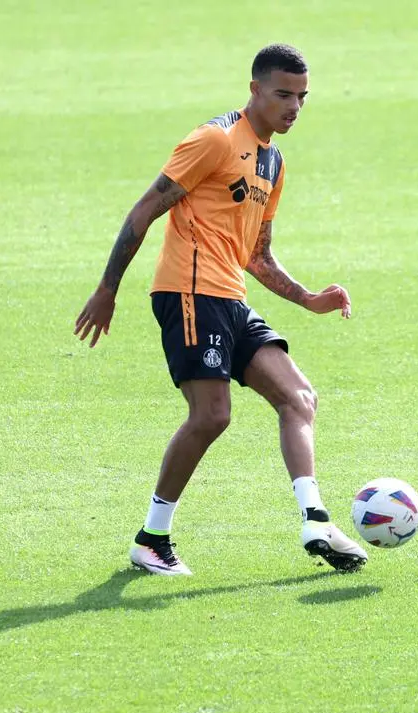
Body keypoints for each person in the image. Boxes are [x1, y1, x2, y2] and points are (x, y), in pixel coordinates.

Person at [73, 44, 367, 575]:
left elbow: (256, 253)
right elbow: (144, 211)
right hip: (188, 291)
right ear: (254, 89)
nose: (294, 107)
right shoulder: (213, 140)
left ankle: (316, 521)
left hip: (231, 296)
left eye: (302, 97)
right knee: (212, 414)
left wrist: (307, 298)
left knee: (299, 397)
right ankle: (151, 539)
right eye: (283, 94)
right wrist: (107, 288)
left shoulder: (273, 161)